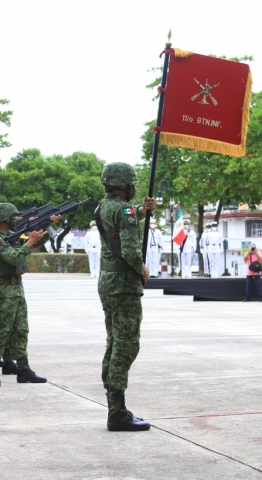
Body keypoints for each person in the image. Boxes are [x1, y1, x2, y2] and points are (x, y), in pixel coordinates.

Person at [96, 162, 154, 431]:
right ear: (124, 185)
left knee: (114, 340)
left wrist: (143, 211)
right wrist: (141, 270)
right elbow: (130, 249)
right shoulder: (124, 209)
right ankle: (117, 411)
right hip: (123, 283)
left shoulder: (103, 206)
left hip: (107, 281)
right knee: (127, 344)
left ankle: (113, 400)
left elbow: (118, 224)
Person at [0, 202, 58, 388]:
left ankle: (23, 369)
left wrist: (43, 229)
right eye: (14, 217)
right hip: (2, 290)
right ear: (5, 219)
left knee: (21, 330)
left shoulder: (9, 235)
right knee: (1, 330)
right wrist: (30, 242)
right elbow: (13, 256)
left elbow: (32, 244)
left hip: (16, 287)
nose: (17, 219)